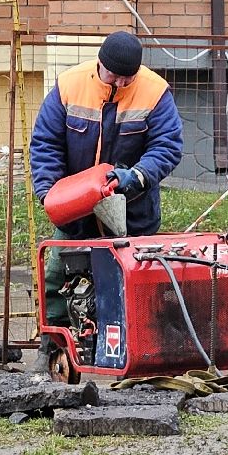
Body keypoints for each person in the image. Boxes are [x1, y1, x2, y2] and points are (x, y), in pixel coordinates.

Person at [28, 29, 184, 342]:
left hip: (132, 213)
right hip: (77, 212)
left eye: (129, 79)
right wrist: (50, 194)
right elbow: (46, 144)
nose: (122, 85)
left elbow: (167, 145)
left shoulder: (154, 92)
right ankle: (55, 350)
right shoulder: (69, 86)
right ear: (101, 64)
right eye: (115, 77)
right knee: (56, 279)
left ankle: (137, 352)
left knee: (134, 286)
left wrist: (137, 176)